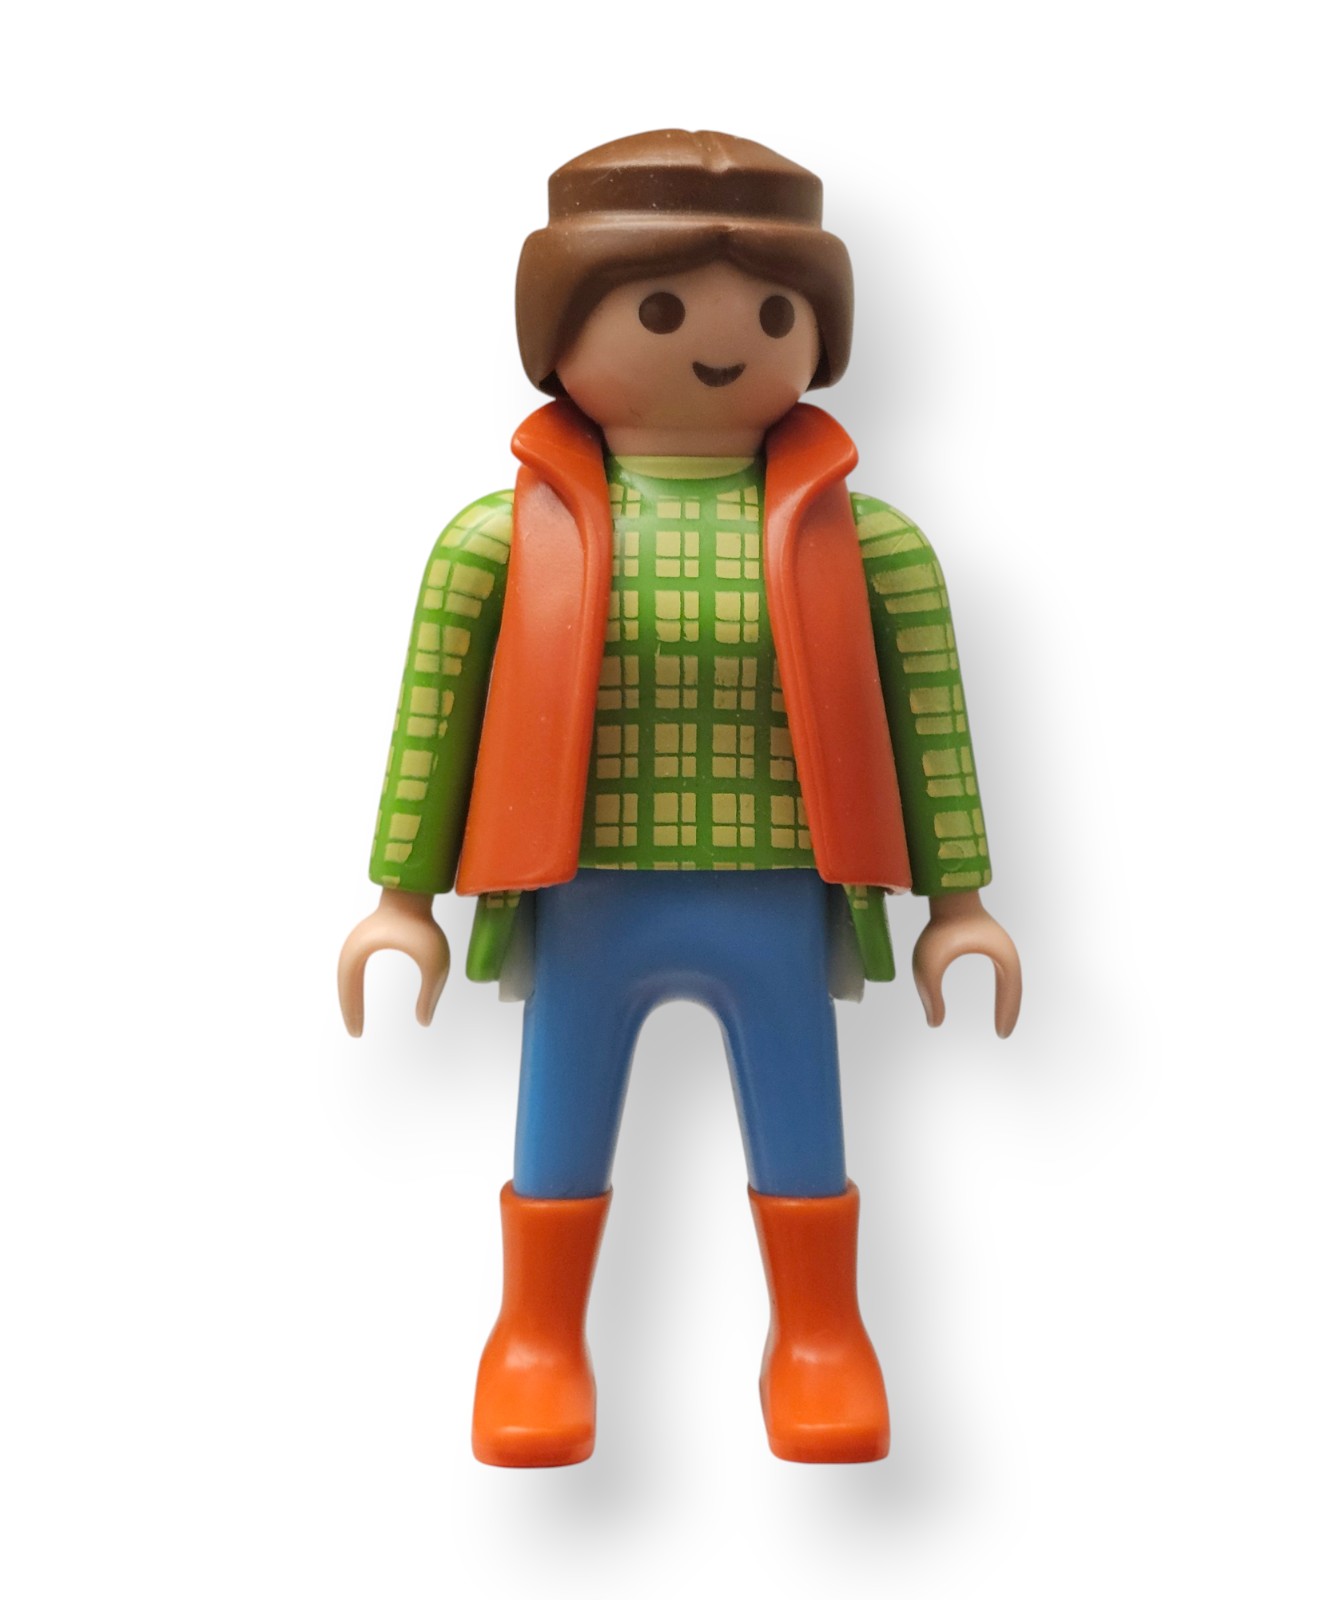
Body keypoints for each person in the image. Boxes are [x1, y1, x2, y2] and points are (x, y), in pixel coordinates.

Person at [337, 129, 1021, 1467]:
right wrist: (400, 899)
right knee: (560, 1119)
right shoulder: (498, 539)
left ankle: (820, 1335)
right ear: (560, 331)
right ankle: (535, 1338)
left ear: (818, 336)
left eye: (771, 316)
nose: (720, 347)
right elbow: (435, 717)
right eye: (659, 313)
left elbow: (932, 725)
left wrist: (960, 903)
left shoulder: (869, 542)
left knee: (803, 1120)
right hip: (584, 890)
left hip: (781, 891)